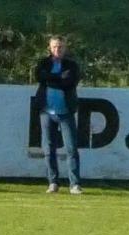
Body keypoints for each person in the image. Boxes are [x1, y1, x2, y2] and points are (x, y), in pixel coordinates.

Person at [33, 36, 82, 195]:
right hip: (47, 112)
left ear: (65, 48)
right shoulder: (43, 63)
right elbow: (40, 77)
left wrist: (50, 79)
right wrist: (58, 78)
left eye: (60, 47)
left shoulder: (71, 65)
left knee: (71, 148)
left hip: (65, 112)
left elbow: (69, 82)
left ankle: (74, 184)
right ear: (50, 47)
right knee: (48, 149)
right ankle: (53, 182)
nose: (57, 50)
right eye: (54, 47)